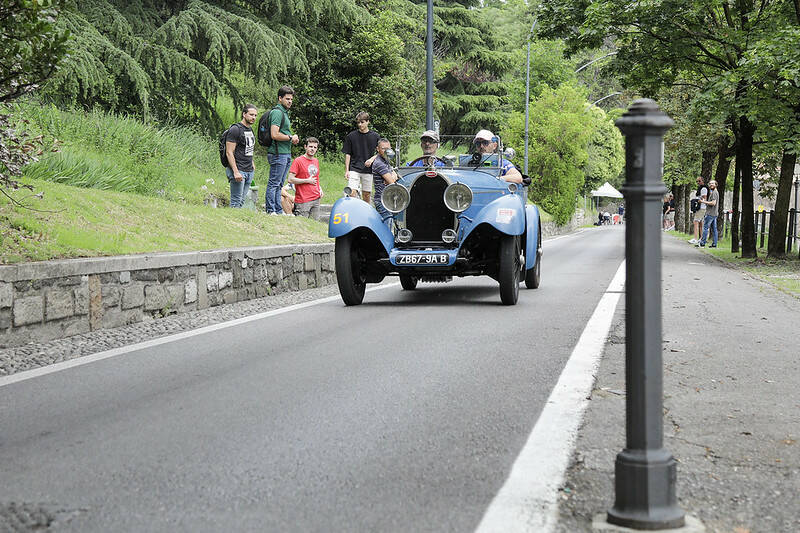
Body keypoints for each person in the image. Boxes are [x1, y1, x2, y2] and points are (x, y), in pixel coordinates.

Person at [265, 86, 300, 215]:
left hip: (285, 152)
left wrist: (291, 139)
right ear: (280, 98)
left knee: (280, 184)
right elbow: (274, 134)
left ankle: (278, 210)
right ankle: (270, 209)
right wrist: (290, 137)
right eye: (287, 99)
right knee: (274, 183)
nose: (290, 101)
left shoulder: (284, 112)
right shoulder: (277, 112)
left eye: (291, 99)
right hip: (277, 153)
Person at [342, 111, 380, 202]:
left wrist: (372, 159)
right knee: (351, 193)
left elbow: (382, 152)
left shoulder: (375, 136)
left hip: (368, 169)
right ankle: (353, 212)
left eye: (362, 122)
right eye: (358, 122)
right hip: (354, 168)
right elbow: (348, 154)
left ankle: (365, 214)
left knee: (366, 195)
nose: (360, 124)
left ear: (368, 122)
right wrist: (347, 170)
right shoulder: (351, 136)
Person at [224, 104, 257, 208]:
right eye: (251, 114)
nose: (253, 117)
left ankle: (236, 222)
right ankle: (230, 223)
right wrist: (235, 171)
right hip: (239, 170)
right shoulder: (235, 129)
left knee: (242, 201)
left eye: (255, 115)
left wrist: (252, 164)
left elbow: (248, 148)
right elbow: (229, 152)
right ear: (244, 114)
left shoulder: (250, 130)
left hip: (249, 170)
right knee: (236, 201)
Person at [287, 137, 323, 220]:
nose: (312, 149)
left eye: (315, 147)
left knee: (314, 227)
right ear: (305, 147)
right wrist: (306, 180)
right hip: (303, 201)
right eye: (310, 147)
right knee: (302, 227)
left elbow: (315, 178)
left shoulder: (316, 161)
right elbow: (290, 179)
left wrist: (320, 189)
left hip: (316, 198)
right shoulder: (298, 161)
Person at [371, 138, 398, 222]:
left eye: (388, 149)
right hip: (382, 200)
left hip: (388, 199)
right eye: (383, 149)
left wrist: (392, 176)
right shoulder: (379, 163)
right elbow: (392, 182)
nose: (386, 151)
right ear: (378, 149)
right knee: (386, 228)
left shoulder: (385, 160)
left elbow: (394, 176)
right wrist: (392, 177)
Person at [698, 179, 719, 247]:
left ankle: (702, 243)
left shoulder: (714, 193)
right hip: (714, 213)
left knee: (705, 228)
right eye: (710, 183)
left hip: (710, 213)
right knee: (714, 229)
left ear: (716, 185)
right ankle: (714, 244)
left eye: (712, 183)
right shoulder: (714, 192)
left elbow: (713, 203)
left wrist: (703, 202)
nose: (711, 185)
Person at [688, 176, 708, 244]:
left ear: (702, 181)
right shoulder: (700, 188)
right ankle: (701, 238)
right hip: (701, 207)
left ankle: (695, 239)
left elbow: (704, 198)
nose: (698, 182)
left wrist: (698, 200)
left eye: (699, 181)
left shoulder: (704, 188)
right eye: (697, 181)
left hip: (701, 207)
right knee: (700, 223)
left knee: (695, 222)